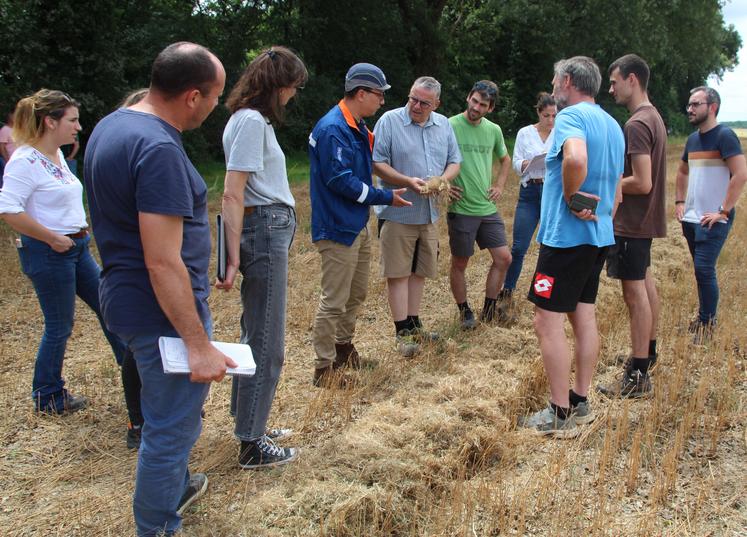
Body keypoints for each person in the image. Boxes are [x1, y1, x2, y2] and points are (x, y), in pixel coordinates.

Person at [84, 42, 234, 536]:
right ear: (193, 96)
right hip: (159, 311)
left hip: (124, 296)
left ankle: (173, 489)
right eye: (215, 96)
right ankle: (157, 526)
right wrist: (196, 343)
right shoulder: (160, 149)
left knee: (166, 418)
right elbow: (162, 259)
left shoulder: (114, 125)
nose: (216, 106)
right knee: (170, 429)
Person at [0, 90, 143, 432]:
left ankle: (137, 378)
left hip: (77, 248)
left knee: (110, 311)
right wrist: (51, 237)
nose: (79, 127)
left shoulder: (57, 156)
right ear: (50, 122)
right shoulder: (25, 160)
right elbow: (8, 209)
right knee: (59, 326)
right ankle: (48, 394)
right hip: (49, 253)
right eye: (72, 120)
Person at [519, 56, 624, 438]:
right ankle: (580, 403)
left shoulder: (570, 118)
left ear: (566, 81)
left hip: (565, 241)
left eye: (553, 80)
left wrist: (571, 196)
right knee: (584, 318)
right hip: (598, 238)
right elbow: (615, 183)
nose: (551, 86)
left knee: (546, 320)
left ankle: (559, 413)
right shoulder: (612, 123)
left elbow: (575, 157)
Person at [217, 46, 307, 469]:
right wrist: (230, 254)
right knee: (267, 341)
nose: (293, 94)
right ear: (277, 86)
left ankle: (248, 420)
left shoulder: (245, 120)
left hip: (267, 226)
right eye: (292, 86)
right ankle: (251, 443)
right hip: (264, 229)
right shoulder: (252, 122)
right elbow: (232, 191)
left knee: (254, 330)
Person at [309, 63, 411, 386]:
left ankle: (343, 348)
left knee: (356, 293)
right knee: (334, 298)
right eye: (380, 95)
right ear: (361, 93)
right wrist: (384, 197)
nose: (382, 102)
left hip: (355, 224)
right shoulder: (333, 129)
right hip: (337, 227)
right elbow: (341, 181)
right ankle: (323, 368)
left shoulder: (355, 125)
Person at [372, 76, 461, 356]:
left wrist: (442, 181)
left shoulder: (443, 125)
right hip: (398, 210)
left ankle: (414, 324)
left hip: (429, 213)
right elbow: (376, 162)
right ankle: (402, 333)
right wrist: (407, 181)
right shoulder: (389, 121)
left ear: (437, 104)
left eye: (424, 102)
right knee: (398, 272)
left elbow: (454, 161)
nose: (417, 106)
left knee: (419, 271)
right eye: (413, 98)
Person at [597, 54, 667, 398]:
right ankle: (647, 352)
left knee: (633, 293)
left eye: (614, 82)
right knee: (646, 284)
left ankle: (638, 375)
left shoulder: (637, 124)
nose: (610, 89)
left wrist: (611, 182)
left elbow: (642, 182)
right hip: (645, 221)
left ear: (632, 80)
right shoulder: (653, 117)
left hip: (632, 223)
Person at [675, 86, 747, 341]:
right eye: (689, 105)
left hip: (713, 218)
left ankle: (707, 323)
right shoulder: (693, 139)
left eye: (696, 104)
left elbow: (741, 174)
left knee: (704, 269)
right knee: (699, 269)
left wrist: (723, 211)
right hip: (691, 218)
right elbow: (682, 171)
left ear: (712, 106)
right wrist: (679, 201)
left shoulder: (725, 136)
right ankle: (703, 316)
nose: (690, 109)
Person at [446, 80, 512, 329]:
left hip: (487, 207)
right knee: (460, 263)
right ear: (468, 97)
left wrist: (500, 186)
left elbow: (505, 160)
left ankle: (490, 309)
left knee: (503, 258)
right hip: (461, 208)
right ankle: (464, 312)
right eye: (474, 101)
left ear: (490, 108)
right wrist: (444, 184)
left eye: (482, 105)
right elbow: (433, 155)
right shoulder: (449, 125)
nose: (476, 107)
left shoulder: (493, 130)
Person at [501, 93, 557, 316]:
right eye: (546, 116)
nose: (551, 120)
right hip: (530, 191)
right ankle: (507, 291)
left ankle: (542, 294)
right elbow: (515, 163)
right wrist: (528, 163)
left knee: (549, 248)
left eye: (554, 116)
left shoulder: (561, 132)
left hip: (551, 192)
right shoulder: (525, 133)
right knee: (519, 246)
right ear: (538, 113)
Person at [0, 107, 16, 182]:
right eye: (15, 115)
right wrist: (7, 160)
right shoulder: (5, 129)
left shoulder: (18, 130)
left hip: (18, 161)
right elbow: (2, 148)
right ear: (10, 115)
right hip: (9, 161)